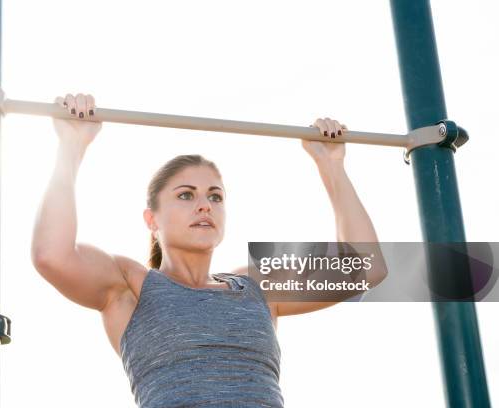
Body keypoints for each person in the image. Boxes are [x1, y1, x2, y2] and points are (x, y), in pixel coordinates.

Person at [31, 93, 386, 407]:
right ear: (151, 220)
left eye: (215, 196)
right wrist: (71, 147)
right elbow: (52, 254)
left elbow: (366, 269)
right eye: (186, 195)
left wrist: (332, 166)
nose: (205, 205)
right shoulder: (131, 283)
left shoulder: (256, 282)